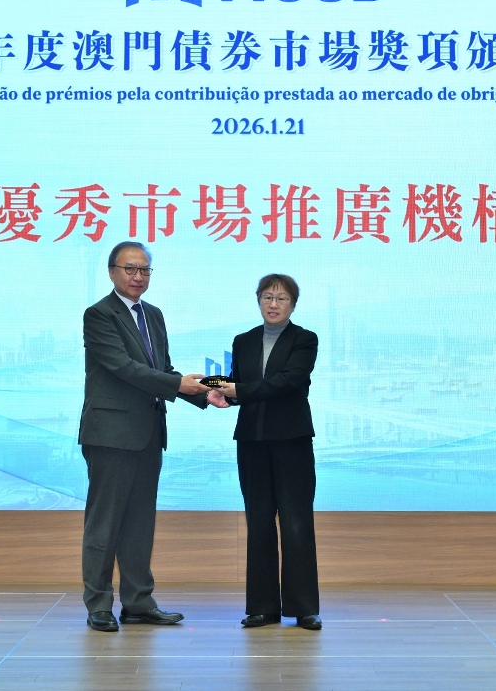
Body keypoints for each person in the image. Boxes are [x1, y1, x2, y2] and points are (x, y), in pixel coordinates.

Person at [79, 241, 209, 632]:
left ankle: (137, 602)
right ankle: (99, 605)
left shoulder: (153, 315)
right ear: (112, 272)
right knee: (105, 523)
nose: (138, 276)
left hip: (149, 432)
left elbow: (163, 370)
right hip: (111, 434)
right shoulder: (99, 315)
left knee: (139, 523)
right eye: (130, 269)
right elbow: (124, 367)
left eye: (144, 270)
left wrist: (209, 390)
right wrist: (180, 385)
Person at [206, 274, 321, 630]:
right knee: (258, 522)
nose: (273, 304)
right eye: (267, 297)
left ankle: (304, 608)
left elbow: (287, 381)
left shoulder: (305, 340)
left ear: (293, 304)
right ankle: (262, 607)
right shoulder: (243, 340)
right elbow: (236, 381)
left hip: (291, 440)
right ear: (258, 301)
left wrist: (238, 390)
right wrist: (208, 386)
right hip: (252, 441)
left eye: (281, 298)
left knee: (296, 522)